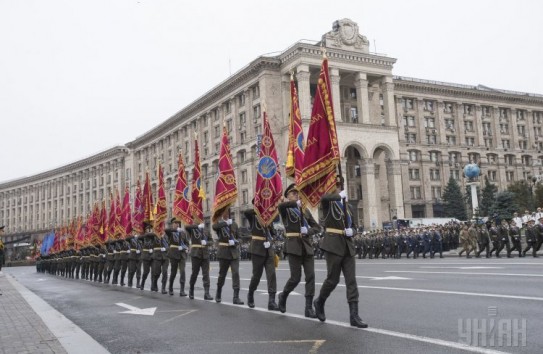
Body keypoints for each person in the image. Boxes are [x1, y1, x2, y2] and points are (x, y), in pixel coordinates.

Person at [313, 176, 368, 328]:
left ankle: (354, 315)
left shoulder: (348, 206)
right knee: (332, 279)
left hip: (348, 245)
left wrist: (353, 231)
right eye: (335, 185)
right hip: (333, 244)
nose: (338, 187)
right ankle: (320, 301)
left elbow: (355, 225)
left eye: (339, 185)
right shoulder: (327, 203)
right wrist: (338, 196)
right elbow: (323, 198)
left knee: (351, 281)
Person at [277, 183, 321, 317]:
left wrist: (308, 231)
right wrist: (295, 203)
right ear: (287, 196)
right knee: (295, 278)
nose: (296, 195)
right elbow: (281, 206)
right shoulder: (286, 209)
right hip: (293, 246)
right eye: (293, 193)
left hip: (306, 246)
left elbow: (317, 227)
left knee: (310, 277)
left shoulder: (305, 210)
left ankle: (308, 308)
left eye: (297, 193)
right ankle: (283, 296)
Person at [244, 201, 280, 311]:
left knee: (271, 275)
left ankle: (272, 301)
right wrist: (258, 209)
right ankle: (250, 294)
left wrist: (271, 241)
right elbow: (246, 212)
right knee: (257, 276)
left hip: (268, 250)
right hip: (257, 249)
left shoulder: (268, 217)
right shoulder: (253, 216)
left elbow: (273, 233)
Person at [212, 207, 244, 305]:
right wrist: (226, 223)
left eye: (227, 212)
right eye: (224, 212)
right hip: (224, 253)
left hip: (234, 253)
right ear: (222, 214)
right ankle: (218, 293)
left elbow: (240, 238)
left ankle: (236, 297)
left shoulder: (234, 224)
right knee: (222, 274)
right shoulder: (220, 224)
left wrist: (236, 241)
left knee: (235, 274)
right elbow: (214, 227)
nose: (226, 214)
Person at [186, 222, 213, 300]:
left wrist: (207, 243)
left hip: (205, 254)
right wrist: (197, 226)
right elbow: (187, 227)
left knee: (206, 274)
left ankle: (207, 293)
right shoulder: (193, 229)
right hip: (196, 254)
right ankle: (191, 290)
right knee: (195, 273)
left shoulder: (206, 230)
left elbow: (211, 241)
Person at [165, 218, 189, 296]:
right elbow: (166, 230)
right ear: (172, 224)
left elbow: (187, 243)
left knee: (182, 272)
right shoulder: (171, 232)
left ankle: (182, 290)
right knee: (173, 272)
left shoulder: (183, 233)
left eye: (178, 223)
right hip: (174, 254)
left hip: (182, 254)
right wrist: (175, 230)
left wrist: (185, 247)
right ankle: (170, 287)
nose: (177, 224)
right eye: (175, 223)